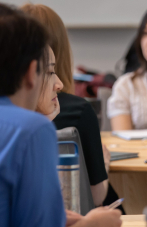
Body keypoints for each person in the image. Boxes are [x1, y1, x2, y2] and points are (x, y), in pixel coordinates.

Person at [0, 4, 121, 227]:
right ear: (30, 73)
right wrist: (91, 224)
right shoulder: (31, 130)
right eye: (49, 71)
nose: (60, 84)